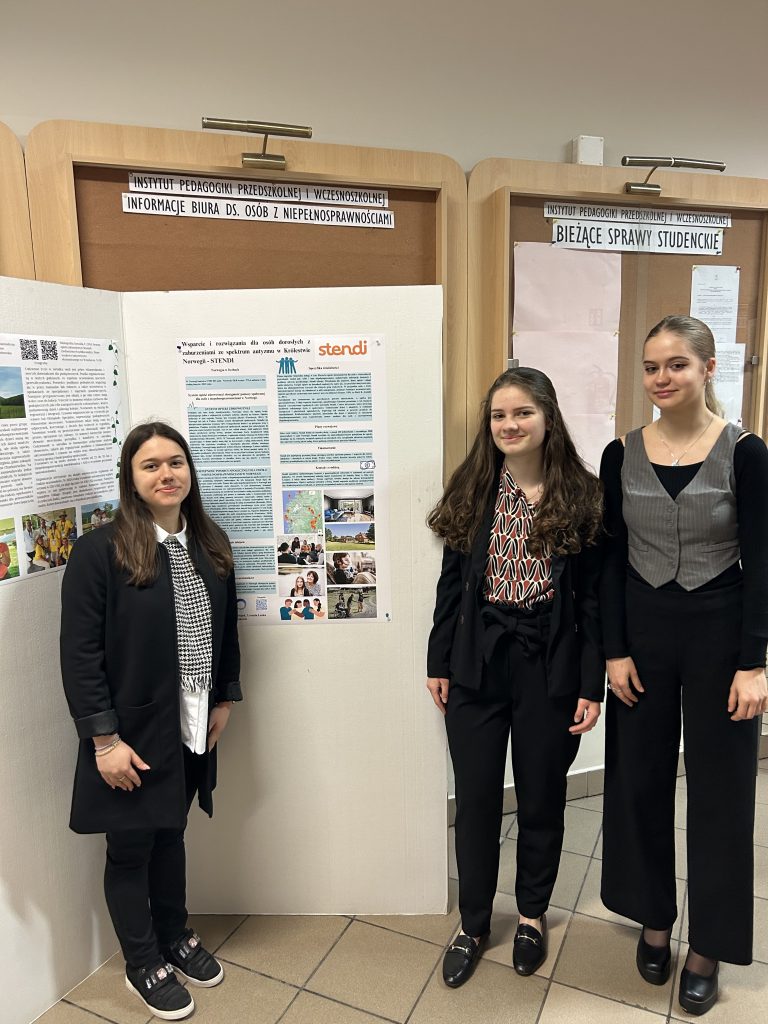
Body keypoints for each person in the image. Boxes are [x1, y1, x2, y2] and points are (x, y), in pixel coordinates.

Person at [599, 315, 768, 1016]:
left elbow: (762, 561)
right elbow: (609, 558)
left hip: (719, 633)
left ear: (707, 368)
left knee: (721, 794)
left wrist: (754, 663)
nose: (661, 378)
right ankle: (653, 918)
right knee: (638, 782)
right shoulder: (621, 452)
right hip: (642, 633)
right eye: (651, 367)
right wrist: (613, 649)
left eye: (676, 365)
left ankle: (709, 947)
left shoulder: (746, 452)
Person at [426, 367, 603, 986]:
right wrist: (438, 661)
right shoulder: (474, 486)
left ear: (548, 417)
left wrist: (590, 684)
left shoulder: (582, 494)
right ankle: (474, 923)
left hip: (549, 663)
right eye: (499, 415)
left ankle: (531, 915)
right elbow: (452, 584)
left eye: (523, 412)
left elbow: (592, 600)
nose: (510, 425)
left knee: (541, 797)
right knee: (476, 799)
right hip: (477, 659)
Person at [59, 421, 241, 1021]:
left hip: (192, 723)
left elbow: (226, 633)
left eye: (175, 462)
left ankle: (174, 934)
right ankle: (142, 961)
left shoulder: (209, 543)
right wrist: (103, 740)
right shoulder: (99, 551)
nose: (167, 474)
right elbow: (80, 654)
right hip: (131, 733)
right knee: (132, 845)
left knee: (171, 831)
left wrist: (223, 699)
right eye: (151, 465)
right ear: (131, 479)